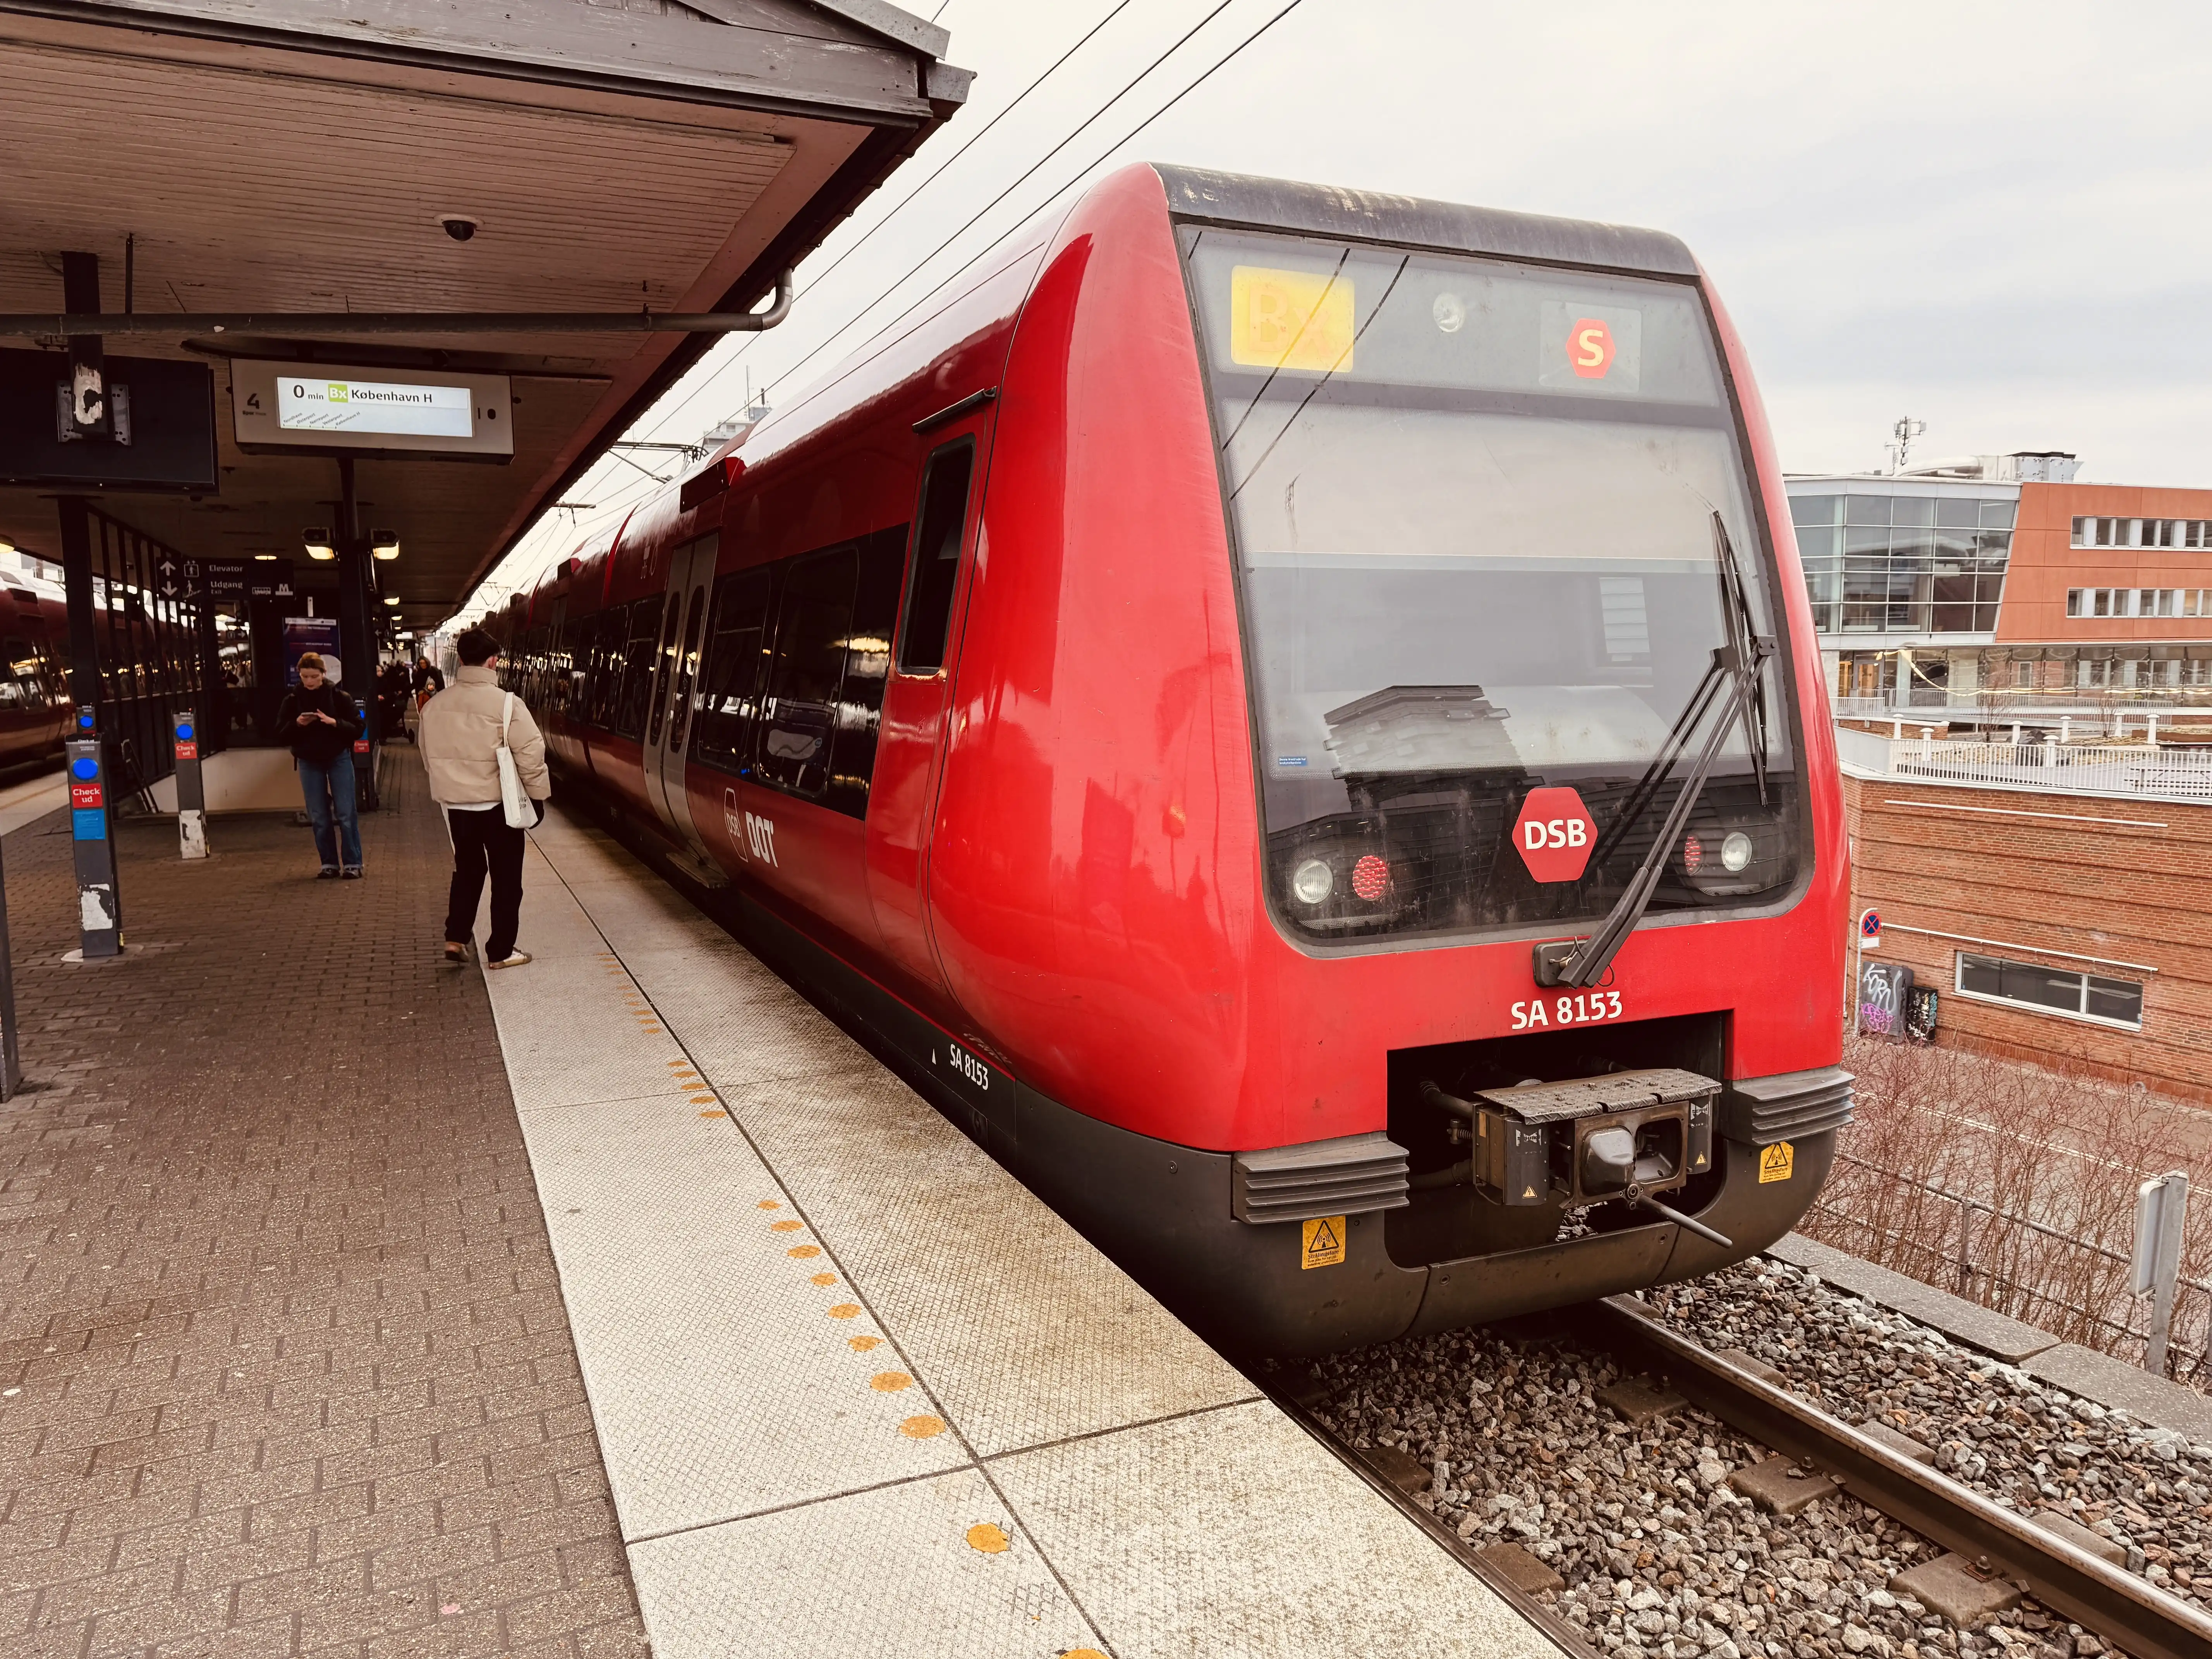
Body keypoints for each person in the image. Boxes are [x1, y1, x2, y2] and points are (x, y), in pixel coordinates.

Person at [419, 628, 548, 969]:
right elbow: (531, 755)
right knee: (507, 881)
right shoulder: (507, 704)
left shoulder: (434, 706)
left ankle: (456, 937)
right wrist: (538, 798)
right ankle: (501, 951)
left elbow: (427, 755)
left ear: (460, 660)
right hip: (499, 808)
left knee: (468, 872)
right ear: (493, 661)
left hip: (458, 809)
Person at [271, 652, 364, 879]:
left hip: (338, 758)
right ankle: (329, 864)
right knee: (319, 816)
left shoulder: (340, 697)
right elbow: (280, 735)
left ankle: (353, 863)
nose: (309, 682)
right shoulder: (292, 701)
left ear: (324, 674)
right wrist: (297, 724)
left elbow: (359, 728)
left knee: (345, 812)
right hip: (308, 761)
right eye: (305, 677)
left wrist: (334, 723)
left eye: (314, 676)